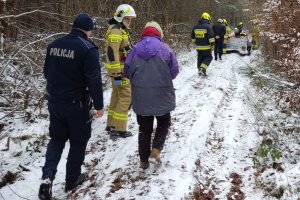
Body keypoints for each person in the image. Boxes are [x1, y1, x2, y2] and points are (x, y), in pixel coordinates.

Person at [38, 13, 104, 200]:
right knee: (78, 141)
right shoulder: (88, 49)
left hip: (55, 102)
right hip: (77, 105)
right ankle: (72, 179)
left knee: (57, 140)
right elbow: (94, 79)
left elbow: (47, 72)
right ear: (88, 29)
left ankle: (47, 177)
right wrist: (99, 105)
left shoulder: (54, 45)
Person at [125, 21, 179, 170]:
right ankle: (156, 148)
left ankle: (143, 161)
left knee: (144, 128)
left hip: (141, 96)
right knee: (164, 122)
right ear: (159, 33)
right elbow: (174, 71)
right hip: (162, 94)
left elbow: (127, 70)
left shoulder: (134, 50)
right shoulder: (165, 49)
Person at [105, 4, 136, 138]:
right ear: (121, 17)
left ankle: (111, 124)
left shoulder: (119, 29)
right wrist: (117, 74)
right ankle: (118, 128)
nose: (129, 21)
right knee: (126, 97)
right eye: (128, 19)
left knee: (117, 96)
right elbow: (112, 54)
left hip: (119, 71)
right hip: (120, 72)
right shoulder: (116, 31)